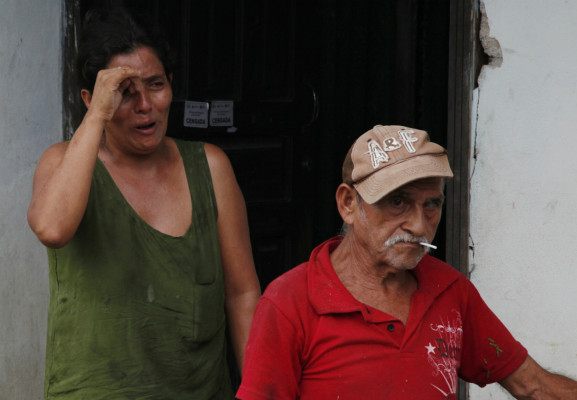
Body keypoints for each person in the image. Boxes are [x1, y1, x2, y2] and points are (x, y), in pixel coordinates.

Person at [236, 125, 577, 400]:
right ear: (348, 204)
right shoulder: (290, 303)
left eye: (431, 205)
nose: (418, 225)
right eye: (397, 202)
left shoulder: (450, 290)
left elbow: (534, 386)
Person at [27, 7, 260, 399]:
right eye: (124, 93)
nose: (145, 105)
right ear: (91, 100)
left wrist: (258, 390)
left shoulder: (210, 167)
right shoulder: (62, 162)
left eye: (155, 85)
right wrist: (97, 116)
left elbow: (242, 294)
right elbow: (52, 228)